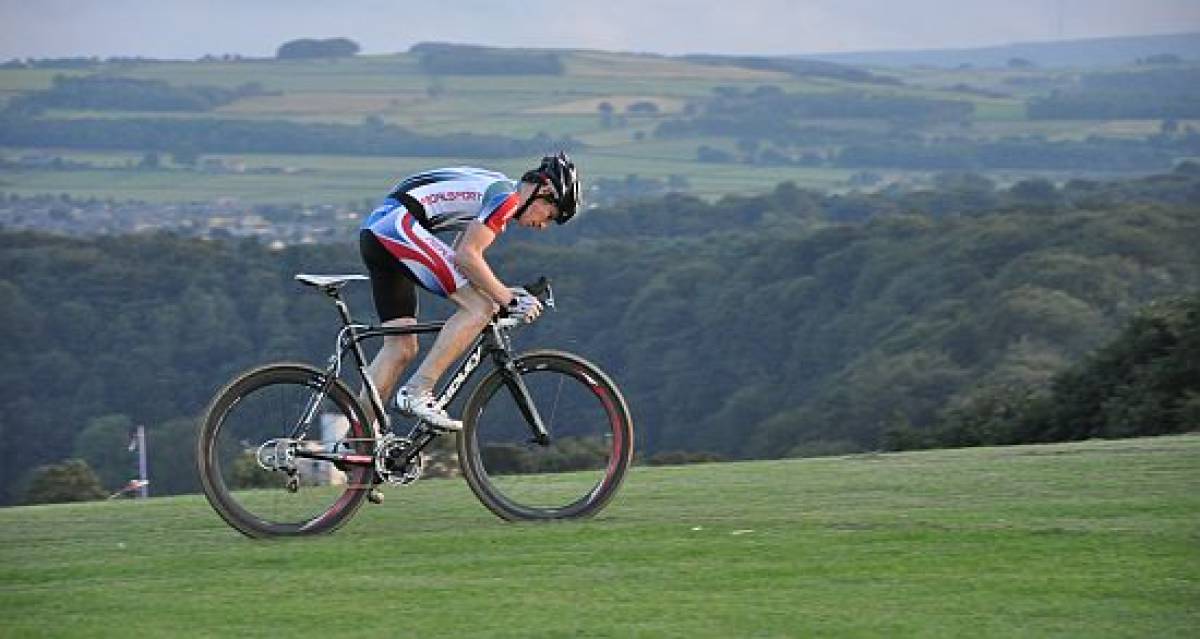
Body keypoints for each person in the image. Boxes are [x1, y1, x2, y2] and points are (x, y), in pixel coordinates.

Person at [358, 152, 581, 431]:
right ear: (544, 191)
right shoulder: (506, 200)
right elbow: (467, 257)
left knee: (400, 348)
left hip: (378, 231)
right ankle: (418, 390)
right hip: (398, 229)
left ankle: (358, 440)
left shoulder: (498, 189)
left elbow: (459, 263)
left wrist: (499, 292)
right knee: (479, 308)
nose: (544, 225)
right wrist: (506, 298)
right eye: (550, 215)